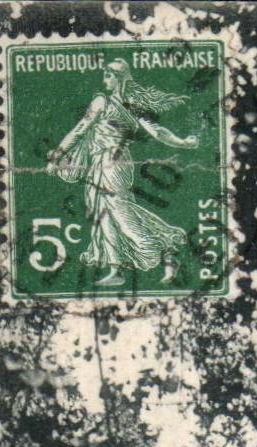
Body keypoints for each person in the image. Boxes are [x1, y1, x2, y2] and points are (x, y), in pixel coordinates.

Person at [46, 59, 198, 287]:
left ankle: (165, 249)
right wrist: (182, 142)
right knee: (103, 213)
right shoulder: (130, 105)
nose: (104, 80)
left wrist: (57, 157)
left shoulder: (102, 102)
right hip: (107, 162)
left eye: (108, 75)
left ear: (119, 78)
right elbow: (158, 132)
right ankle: (116, 269)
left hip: (111, 163)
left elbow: (79, 130)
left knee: (119, 211)